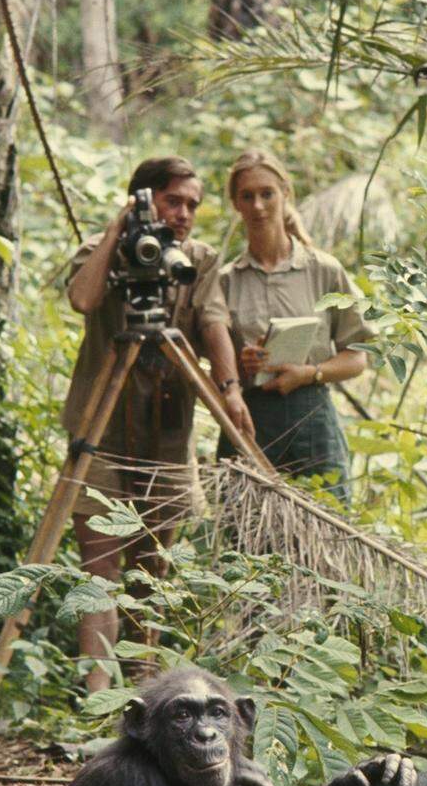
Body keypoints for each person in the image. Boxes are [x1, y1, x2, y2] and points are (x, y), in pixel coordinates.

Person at [63, 157, 254, 691]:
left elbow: (213, 320)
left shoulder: (198, 260)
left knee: (152, 571)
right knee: (100, 572)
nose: (184, 214)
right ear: (143, 200)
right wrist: (116, 230)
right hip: (99, 433)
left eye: (193, 204)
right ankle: (98, 698)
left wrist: (229, 386)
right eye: (173, 201)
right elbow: (82, 298)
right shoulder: (102, 254)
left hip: (168, 436)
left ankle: (144, 687)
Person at [218, 150, 371, 502]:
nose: (258, 206)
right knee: (245, 530)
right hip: (250, 416)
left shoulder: (323, 270)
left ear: (286, 193)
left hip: (312, 413)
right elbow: (213, 361)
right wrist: (242, 364)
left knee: (325, 522)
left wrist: (310, 373)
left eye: (267, 193)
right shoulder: (226, 281)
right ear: (235, 204)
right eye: (247, 196)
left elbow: (358, 357)